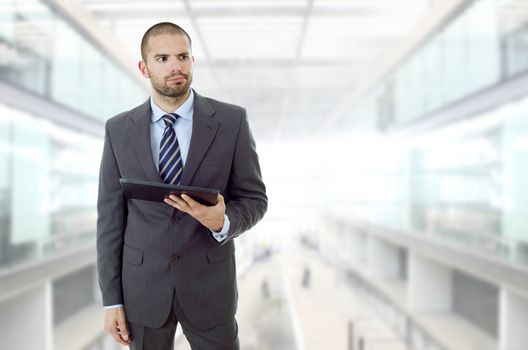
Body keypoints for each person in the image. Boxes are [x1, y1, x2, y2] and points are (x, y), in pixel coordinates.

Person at [96, 22, 267, 350]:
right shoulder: (118, 130)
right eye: (162, 58)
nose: (175, 66)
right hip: (143, 290)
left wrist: (224, 221)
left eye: (183, 56)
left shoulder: (231, 122)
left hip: (210, 288)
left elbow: (255, 198)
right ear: (144, 68)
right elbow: (109, 220)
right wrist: (111, 300)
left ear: (192, 61)